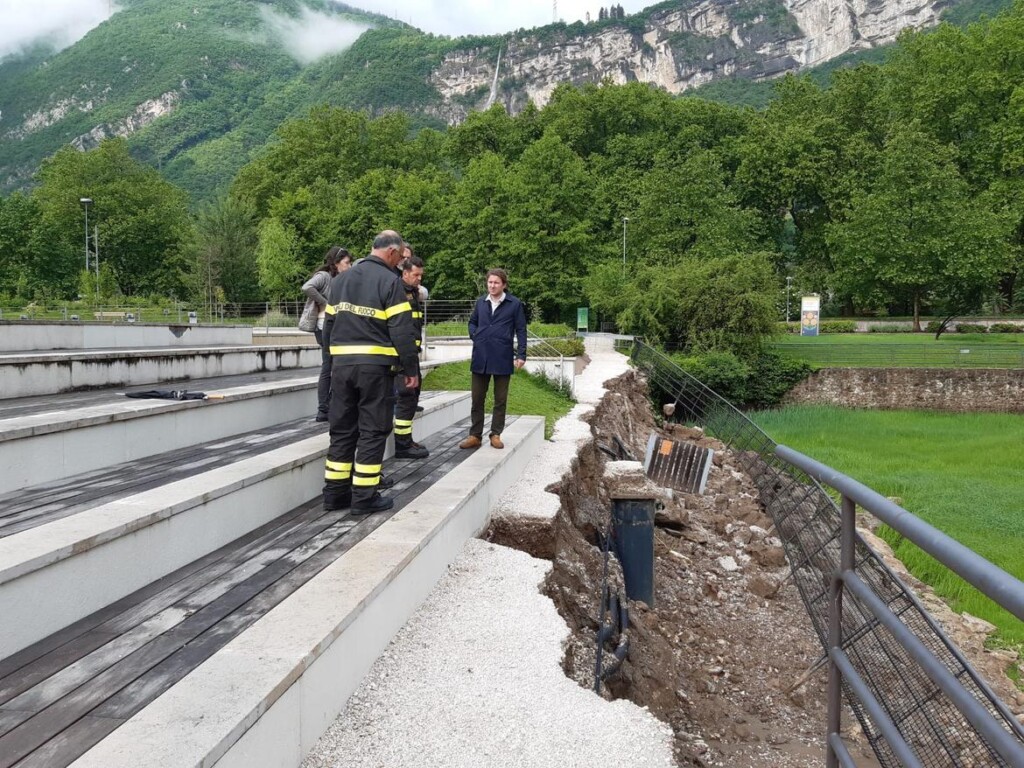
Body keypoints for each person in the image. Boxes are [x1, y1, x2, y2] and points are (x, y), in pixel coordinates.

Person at [322, 231, 420, 514]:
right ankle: (364, 497)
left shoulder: (339, 281)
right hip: (375, 370)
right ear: (391, 252)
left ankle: (334, 494)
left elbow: (328, 327)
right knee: (373, 430)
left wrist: (331, 364)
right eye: (401, 258)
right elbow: (402, 330)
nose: (401, 263)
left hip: (341, 367)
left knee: (341, 430)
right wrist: (410, 369)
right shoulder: (390, 282)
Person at [459, 268, 527, 450]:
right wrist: (476, 335)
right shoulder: (481, 302)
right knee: (477, 399)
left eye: (496, 282)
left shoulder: (514, 304)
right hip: (480, 357)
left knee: (500, 399)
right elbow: (472, 321)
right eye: (490, 282)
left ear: (504, 284)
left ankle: (495, 434)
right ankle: (475, 435)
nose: (492, 285)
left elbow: (521, 330)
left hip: (502, 357)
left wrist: (521, 354)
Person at [302, 246, 352, 421]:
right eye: (347, 263)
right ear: (336, 263)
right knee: (328, 365)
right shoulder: (324, 276)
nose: (350, 266)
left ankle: (328, 406)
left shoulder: (341, 278)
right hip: (324, 325)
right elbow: (307, 287)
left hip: (334, 325)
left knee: (332, 365)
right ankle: (323, 408)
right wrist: (326, 303)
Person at [393, 251, 429, 459]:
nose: (419, 279)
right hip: (402, 355)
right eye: (416, 275)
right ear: (405, 273)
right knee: (406, 396)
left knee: (413, 396)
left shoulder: (413, 291)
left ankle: (406, 440)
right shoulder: (397, 291)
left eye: (421, 276)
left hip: (412, 353)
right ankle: (402, 444)